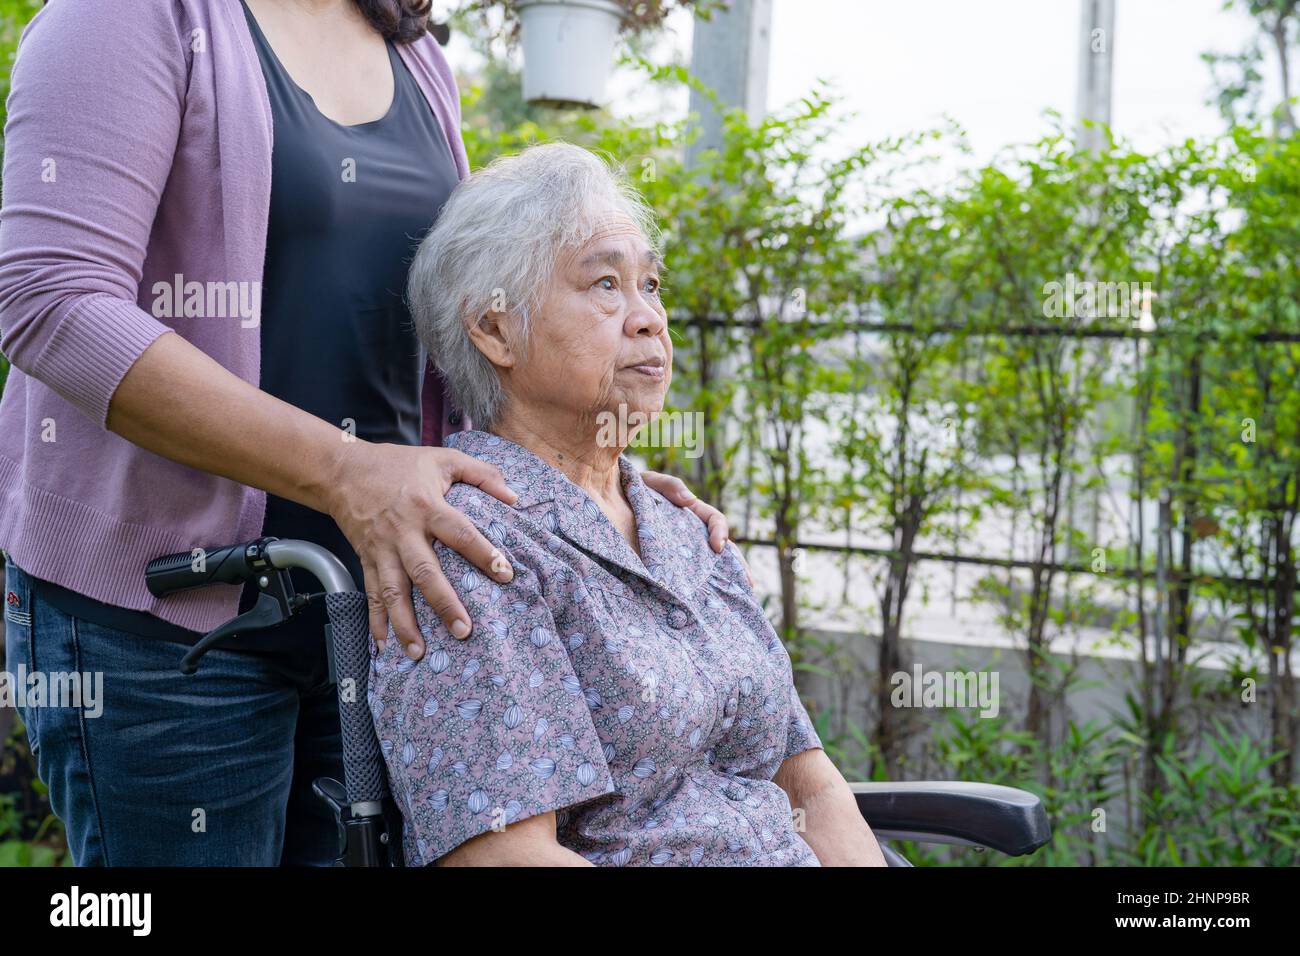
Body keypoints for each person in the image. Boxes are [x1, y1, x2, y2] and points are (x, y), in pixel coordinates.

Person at [0, 0, 730, 866]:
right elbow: (52, 301)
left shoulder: (411, 52)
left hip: (383, 610)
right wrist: (345, 473)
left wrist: (592, 482)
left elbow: (462, 330)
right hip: (173, 619)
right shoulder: (126, 17)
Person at [371, 142, 887, 866]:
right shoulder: (474, 545)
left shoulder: (685, 530)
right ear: (493, 329)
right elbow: (502, 858)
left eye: (650, 284)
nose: (649, 319)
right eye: (606, 285)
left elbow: (806, 777)